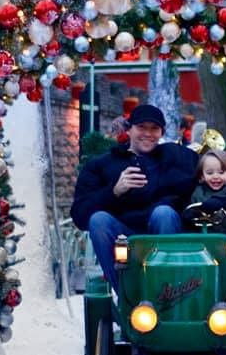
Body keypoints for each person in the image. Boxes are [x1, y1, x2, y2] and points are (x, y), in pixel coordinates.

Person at [71, 104, 197, 292]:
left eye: (154, 128)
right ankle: (126, 298)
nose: (148, 133)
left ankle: (167, 293)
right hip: (124, 236)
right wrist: (114, 192)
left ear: (161, 132)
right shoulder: (102, 164)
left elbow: (217, 168)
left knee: (163, 213)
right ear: (129, 129)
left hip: (164, 231)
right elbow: (80, 216)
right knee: (98, 220)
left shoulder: (176, 156)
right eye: (141, 127)